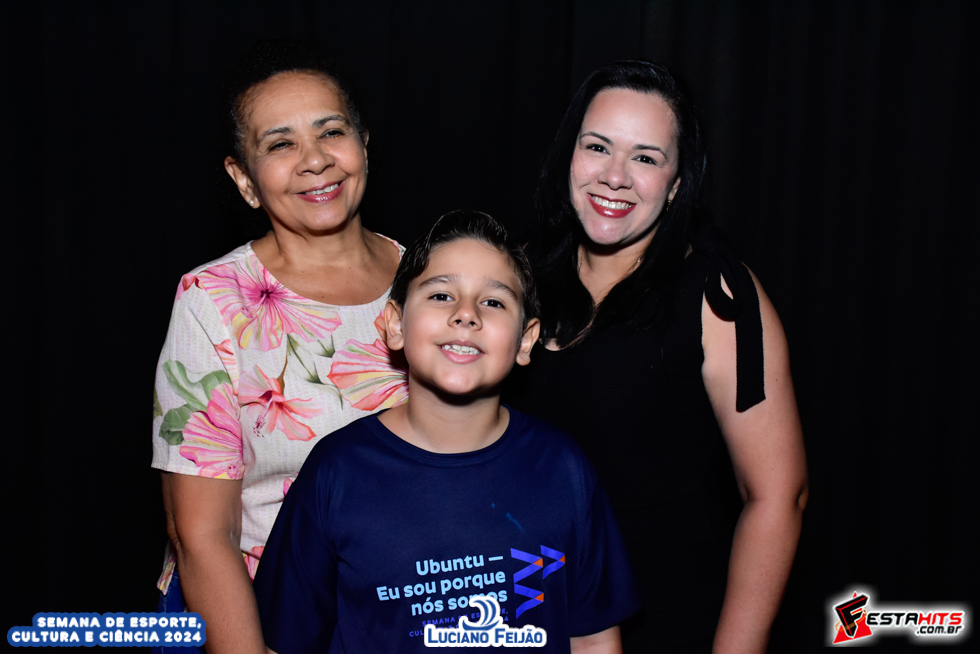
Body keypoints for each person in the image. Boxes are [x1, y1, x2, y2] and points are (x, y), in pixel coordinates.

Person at [505, 61, 808, 653]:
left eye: (645, 157)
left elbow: (778, 496)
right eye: (598, 147)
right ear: (570, 155)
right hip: (522, 613)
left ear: (676, 183)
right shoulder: (516, 272)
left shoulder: (718, 296)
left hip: (663, 623)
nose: (615, 176)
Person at [252, 211, 640, 653]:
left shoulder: (563, 468)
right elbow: (283, 643)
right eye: (441, 295)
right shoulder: (336, 471)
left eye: (493, 302)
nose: (466, 314)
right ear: (395, 324)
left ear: (525, 339)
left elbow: (592, 640)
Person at [151, 40, 406, 654]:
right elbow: (200, 535)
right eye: (280, 144)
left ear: (364, 144)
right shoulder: (213, 300)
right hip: (263, 618)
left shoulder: (430, 279)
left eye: (331, 132)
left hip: (402, 613)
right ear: (244, 179)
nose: (315, 160)